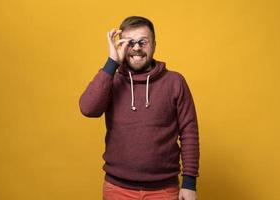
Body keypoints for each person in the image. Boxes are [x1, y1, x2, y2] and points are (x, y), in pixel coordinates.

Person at [79, 16, 199, 200]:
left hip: (164, 190)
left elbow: (189, 132)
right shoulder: (112, 80)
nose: (136, 48)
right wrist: (112, 61)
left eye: (143, 42)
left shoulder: (175, 82)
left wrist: (189, 183)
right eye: (130, 42)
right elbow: (88, 108)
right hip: (117, 189)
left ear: (154, 45)